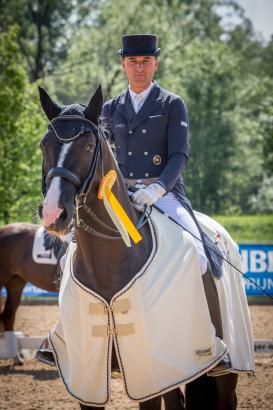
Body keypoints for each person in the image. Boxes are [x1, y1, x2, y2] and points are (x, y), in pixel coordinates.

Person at [100, 34, 230, 375]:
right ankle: (68, 340)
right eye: (132, 62)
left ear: (155, 63)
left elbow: (179, 155)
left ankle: (212, 342)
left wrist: (157, 188)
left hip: (164, 195)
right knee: (79, 247)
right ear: (123, 64)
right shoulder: (110, 109)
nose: (139, 67)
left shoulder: (172, 104)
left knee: (199, 255)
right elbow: (101, 157)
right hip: (121, 199)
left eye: (145, 61)